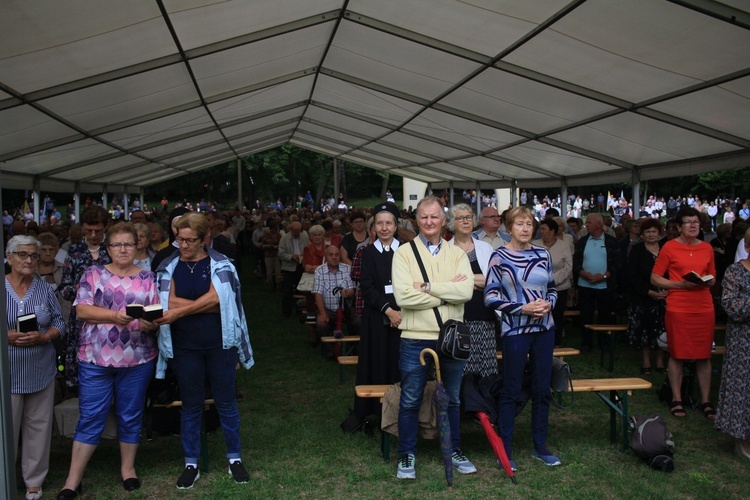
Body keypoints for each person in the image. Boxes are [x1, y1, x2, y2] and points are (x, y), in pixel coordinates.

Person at [57, 223, 159, 498]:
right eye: (117, 244)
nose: (123, 249)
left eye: (128, 243)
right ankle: (72, 480)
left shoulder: (148, 277)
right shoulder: (93, 274)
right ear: (108, 248)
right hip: (95, 358)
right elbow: (82, 311)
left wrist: (151, 323)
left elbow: (154, 311)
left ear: (137, 246)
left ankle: (128, 470)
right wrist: (115, 316)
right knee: (90, 416)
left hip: (137, 358)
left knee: (130, 415)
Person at [154, 213, 254, 489]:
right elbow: (168, 300)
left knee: (226, 402)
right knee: (191, 405)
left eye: (189, 240)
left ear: (203, 240)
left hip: (219, 343)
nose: (183, 245)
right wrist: (206, 303)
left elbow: (221, 300)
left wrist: (181, 310)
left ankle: (234, 458)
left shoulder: (221, 265)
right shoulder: (168, 267)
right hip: (184, 346)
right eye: (180, 239)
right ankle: (191, 462)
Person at [391, 195, 475, 480]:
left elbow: (466, 293)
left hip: (451, 336)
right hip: (414, 336)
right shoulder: (403, 253)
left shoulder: (457, 255)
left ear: (443, 220)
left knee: (452, 398)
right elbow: (403, 296)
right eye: (424, 217)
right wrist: (445, 293)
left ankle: (453, 450)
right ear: (417, 220)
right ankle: (407, 454)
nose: (429, 221)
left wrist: (425, 287)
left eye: (434, 216)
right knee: (411, 398)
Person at [485, 207, 559, 470]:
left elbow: (551, 288)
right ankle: (504, 448)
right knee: (512, 388)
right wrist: (522, 308)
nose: (526, 228)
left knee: (542, 388)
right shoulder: (499, 256)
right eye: (520, 224)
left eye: (529, 224)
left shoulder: (543, 254)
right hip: (515, 330)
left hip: (544, 329)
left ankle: (540, 446)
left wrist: (549, 303)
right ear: (509, 227)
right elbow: (490, 297)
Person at [5, 235, 65, 500]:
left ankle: (34, 482)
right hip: (6, 373)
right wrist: (4, 335)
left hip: (41, 369)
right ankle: (4, 479)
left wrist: (45, 336)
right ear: (9, 257)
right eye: (22, 254)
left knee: (39, 427)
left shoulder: (43, 288)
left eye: (33, 255)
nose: (29, 260)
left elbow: (60, 323)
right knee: (5, 429)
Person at [651, 207, 716, 419]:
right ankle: (676, 398)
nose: (693, 225)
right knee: (677, 353)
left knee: (704, 354)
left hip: (703, 306)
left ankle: (706, 400)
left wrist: (707, 280)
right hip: (679, 305)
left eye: (696, 222)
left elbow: (713, 276)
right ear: (679, 226)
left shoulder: (707, 248)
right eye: (688, 222)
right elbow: (655, 278)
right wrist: (679, 285)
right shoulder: (669, 247)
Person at [353, 205, 402, 422]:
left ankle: (402, 410)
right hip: (377, 318)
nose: (384, 228)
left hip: (404, 318)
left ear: (396, 226)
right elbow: (367, 286)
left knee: (400, 363)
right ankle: (375, 412)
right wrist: (389, 311)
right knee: (378, 362)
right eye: (380, 223)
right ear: (374, 227)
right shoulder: (367, 252)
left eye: (388, 223)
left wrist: (399, 313)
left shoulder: (407, 251)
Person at [59, 206, 112, 392]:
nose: (93, 235)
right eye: (88, 230)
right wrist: (76, 289)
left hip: (109, 315)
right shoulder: (74, 251)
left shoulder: (113, 249)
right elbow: (63, 289)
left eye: (98, 230)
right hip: (81, 319)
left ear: (106, 227)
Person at [447, 204, 496, 376]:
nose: (466, 221)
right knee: (461, 368)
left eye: (468, 217)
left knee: (485, 370)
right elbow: (447, 284)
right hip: (459, 317)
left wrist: (464, 280)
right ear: (452, 223)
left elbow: (492, 279)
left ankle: (483, 402)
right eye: (460, 218)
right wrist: (476, 280)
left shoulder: (485, 248)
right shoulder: (445, 250)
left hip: (484, 315)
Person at [715, 228, 750, 459]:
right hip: (744, 343)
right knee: (744, 389)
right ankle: (744, 439)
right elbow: (731, 307)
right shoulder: (735, 272)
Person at [573, 213, 620, 354]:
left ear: (599, 225)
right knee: (585, 315)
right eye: (586, 223)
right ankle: (586, 343)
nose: (586, 225)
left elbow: (618, 263)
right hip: (584, 285)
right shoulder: (582, 241)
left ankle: (604, 343)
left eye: (589, 223)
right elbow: (576, 262)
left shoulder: (611, 241)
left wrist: (605, 275)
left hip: (605, 286)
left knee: (605, 315)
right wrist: (583, 273)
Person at [626, 219, 667, 375]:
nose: (651, 235)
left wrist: (666, 292)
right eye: (648, 232)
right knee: (644, 330)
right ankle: (646, 362)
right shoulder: (636, 250)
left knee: (662, 329)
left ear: (659, 233)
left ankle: (660, 362)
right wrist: (649, 292)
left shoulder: (666, 248)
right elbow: (632, 275)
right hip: (643, 297)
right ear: (642, 234)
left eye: (654, 231)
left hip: (665, 296)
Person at [532, 218, 572, 347]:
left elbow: (568, 266)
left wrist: (552, 281)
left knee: (557, 316)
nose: (541, 232)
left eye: (544, 229)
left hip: (559, 288)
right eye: (540, 229)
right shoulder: (534, 244)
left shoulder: (563, 245)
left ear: (553, 231)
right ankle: (538, 342)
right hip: (538, 288)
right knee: (539, 315)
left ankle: (556, 343)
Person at [312, 245, 356, 339]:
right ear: (326, 257)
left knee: (359, 322)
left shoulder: (347, 269)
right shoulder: (319, 271)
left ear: (340, 256)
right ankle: (331, 351)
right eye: (331, 255)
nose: (334, 257)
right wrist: (322, 313)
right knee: (322, 324)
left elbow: (352, 290)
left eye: (337, 255)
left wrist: (347, 293)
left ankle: (354, 347)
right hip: (328, 309)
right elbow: (318, 294)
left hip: (346, 309)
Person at [278, 221, 309, 317]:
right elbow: (281, 253)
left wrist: (303, 255)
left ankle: (300, 310)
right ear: (291, 230)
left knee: (301, 289)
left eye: (298, 231)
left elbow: (308, 249)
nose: (296, 234)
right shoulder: (284, 238)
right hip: (289, 268)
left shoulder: (304, 237)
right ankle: (286, 312)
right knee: (287, 291)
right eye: (295, 232)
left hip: (301, 266)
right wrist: (291, 257)